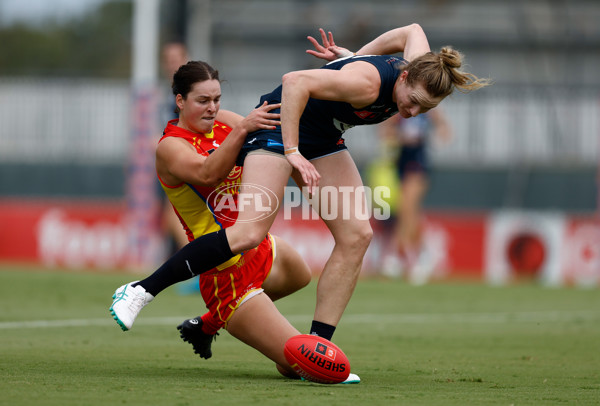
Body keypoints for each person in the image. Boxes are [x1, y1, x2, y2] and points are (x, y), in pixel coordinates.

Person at [111, 24, 489, 344]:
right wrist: (292, 151)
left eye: (425, 109)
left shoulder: (421, 66)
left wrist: (351, 58)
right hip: (279, 129)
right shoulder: (365, 85)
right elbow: (294, 82)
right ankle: (141, 290)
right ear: (404, 76)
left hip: (323, 139)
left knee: (357, 235)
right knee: (247, 234)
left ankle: (318, 348)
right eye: (413, 101)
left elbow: (413, 31)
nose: (412, 112)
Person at [379, 108, 452, 283]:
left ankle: (406, 256)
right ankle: (419, 255)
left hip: (419, 161)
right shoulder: (401, 109)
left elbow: (444, 129)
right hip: (402, 162)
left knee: (408, 207)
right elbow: (385, 131)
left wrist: (435, 139)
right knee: (409, 212)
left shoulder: (427, 109)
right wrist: (396, 139)